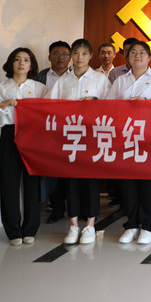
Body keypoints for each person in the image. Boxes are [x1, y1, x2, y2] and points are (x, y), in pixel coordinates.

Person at [0, 47, 47, 246]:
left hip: (33, 137)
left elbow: (48, 114)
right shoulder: (0, 88)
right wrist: (1, 105)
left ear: (31, 65)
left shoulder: (39, 88)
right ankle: (13, 231)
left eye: (26, 60)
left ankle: (30, 228)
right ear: (11, 63)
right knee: (9, 183)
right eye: (17, 59)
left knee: (32, 184)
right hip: (9, 135)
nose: (21, 63)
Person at [48, 39, 111, 245]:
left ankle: (90, 224)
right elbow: (50, 105)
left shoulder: (100, 79)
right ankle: (74, 224)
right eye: (76, 53)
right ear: (71, 56)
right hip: (70, 137)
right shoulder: (63, 81)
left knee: (91, 181)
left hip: (92, 137)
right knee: (71, 181)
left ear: (91, 56)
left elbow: (112, 107)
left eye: (84, 54)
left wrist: (95, 102)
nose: (79, 58)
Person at [108, 41, 151, 245]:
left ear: (149, 57)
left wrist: (147, 104)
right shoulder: (120, 81)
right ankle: (132, 224)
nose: (137, 56)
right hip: (125, 138)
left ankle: (148, 226)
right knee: (128, 184)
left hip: (149, 138)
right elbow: (109, 107)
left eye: (142, 52)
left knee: (149, 184)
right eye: (133, 52)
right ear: (127, 57)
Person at [36, 40, 71, 224]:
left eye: (65, 54)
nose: (60, 58)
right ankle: (57, 208)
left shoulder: (76, 76)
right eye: (56, 54)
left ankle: (75, 209)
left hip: (72, 129)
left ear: (70, 57)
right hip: (49, 131)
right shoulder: (40, 77)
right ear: (49, 57)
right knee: (53, 171)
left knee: (72, 170)